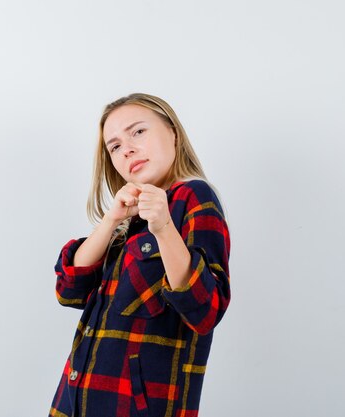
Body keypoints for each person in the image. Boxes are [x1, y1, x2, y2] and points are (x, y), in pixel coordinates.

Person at [48, 93, 231, 417]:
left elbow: (206, 310)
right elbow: (69, 291)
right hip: (74, 402)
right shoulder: (130, 221)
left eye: (138, 132)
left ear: (172, 131)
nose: (127, 149)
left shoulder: (193, 197)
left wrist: (163, 228)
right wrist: (111, 220)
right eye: (115, 146)